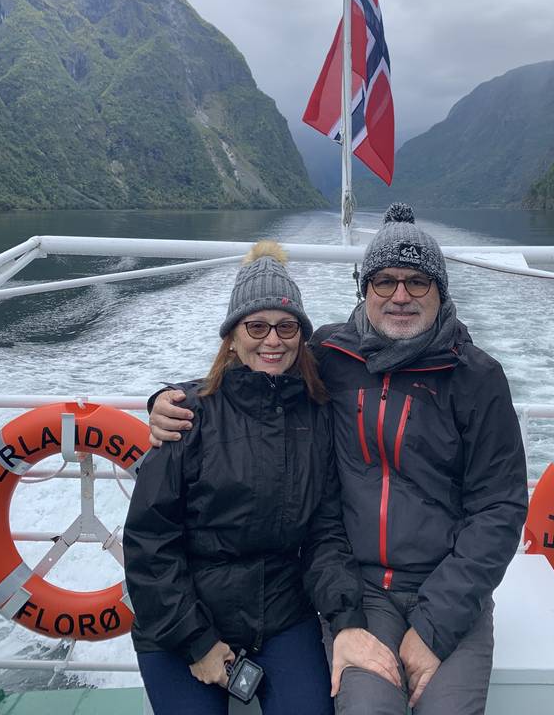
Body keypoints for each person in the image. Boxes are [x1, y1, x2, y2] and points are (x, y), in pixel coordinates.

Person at [150, 205, 528, 714]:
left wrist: (435, 628)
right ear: (363, 288)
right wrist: (168, 400)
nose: (400, 296)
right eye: (385, 281)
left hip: (450, 587)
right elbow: (254, 375)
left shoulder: (477, 378)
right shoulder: (331, 355)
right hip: (358, 589)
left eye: (417, 282)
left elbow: (499, 507)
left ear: (440, 291)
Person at [124, 241, 399, 715]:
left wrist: (347, 619)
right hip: (181, 620)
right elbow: (150, 543)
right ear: (232, 336)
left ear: (300, 337)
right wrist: (197, 642)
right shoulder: (187, 416)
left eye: (286, 326)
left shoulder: (315, 417)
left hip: (281, 614)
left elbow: (324, 532)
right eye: (256, 326)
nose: (272, 340)